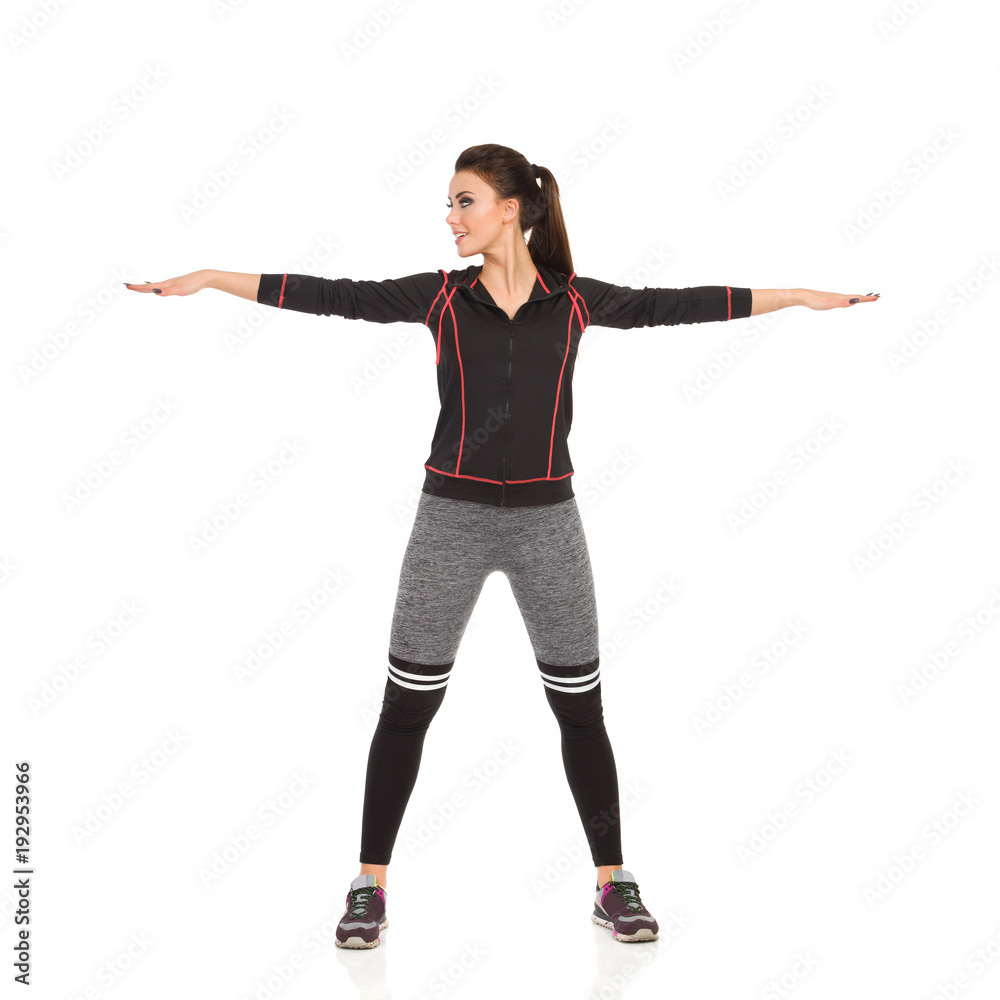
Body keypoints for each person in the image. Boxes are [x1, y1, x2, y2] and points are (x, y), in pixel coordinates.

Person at [125, 143, 879, 948]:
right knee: (407, 707)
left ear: (511, 209)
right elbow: (332, 294)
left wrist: (796, 297)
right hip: (449, 521)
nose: (450, 218)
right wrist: (212, 277)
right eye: (450, 204)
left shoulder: (576, 300)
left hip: (549, 524)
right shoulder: (441, 298)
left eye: (465, 202)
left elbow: (679, 305)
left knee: (579, 708)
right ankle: (368, 885)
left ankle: (613, 883)